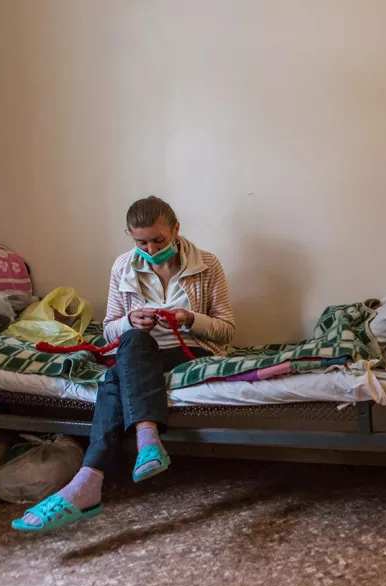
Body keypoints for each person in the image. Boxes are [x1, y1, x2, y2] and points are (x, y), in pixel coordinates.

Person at [13, 196, 235, 532]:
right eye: (140, 241)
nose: (150, 247)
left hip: (189, 349)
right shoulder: (122, 267)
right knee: (132, 342)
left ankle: (89, 480)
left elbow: (227, 330)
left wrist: (191, 319)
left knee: (114, 378)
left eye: (158, 240)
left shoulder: (207, 264)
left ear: (176, 229)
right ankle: (136, 447)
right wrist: (130, 320)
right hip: (136, 352)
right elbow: (109, 329)